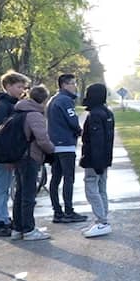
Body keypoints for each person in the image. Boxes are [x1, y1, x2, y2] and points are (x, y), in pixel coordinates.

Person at [0, 71, 30, 237]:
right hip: (2, 156)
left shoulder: (10, 105)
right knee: (0, 187)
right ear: (9, 86)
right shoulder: (1, 108)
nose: (22, 90)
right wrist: (6, 158)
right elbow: (1, 137)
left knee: (4, 187)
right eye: (19, 86)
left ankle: (4, 218)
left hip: (7, 155)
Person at [12, 85, 56, 241]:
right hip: (30, 157)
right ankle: (29, 230)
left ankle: (17, 229)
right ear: (44, 99)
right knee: (29, 195)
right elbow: (42, 139)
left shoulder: (18, 110)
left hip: (18, 156)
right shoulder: (34, 115)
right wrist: (52, 150)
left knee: (20, 193)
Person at [46, 74, 86, 224]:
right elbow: (73, 121)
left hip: (54, 144)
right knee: (69, 179)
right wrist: (80, 132)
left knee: (55, 179)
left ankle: (57, 212)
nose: (75, 86)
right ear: (64, 85)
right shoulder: (66, 100)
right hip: (66, 145)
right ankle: (68, 211)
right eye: (73, 83)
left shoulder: (53, 100)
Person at [79, 83, 115, 238]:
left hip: (94, 159)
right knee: (101, 189)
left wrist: (96, 162)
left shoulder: (94, 115)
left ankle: (102, 221)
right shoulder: (107, 112)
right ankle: (102, 219)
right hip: (104, 158)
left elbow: (97, 141)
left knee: (92, 189)